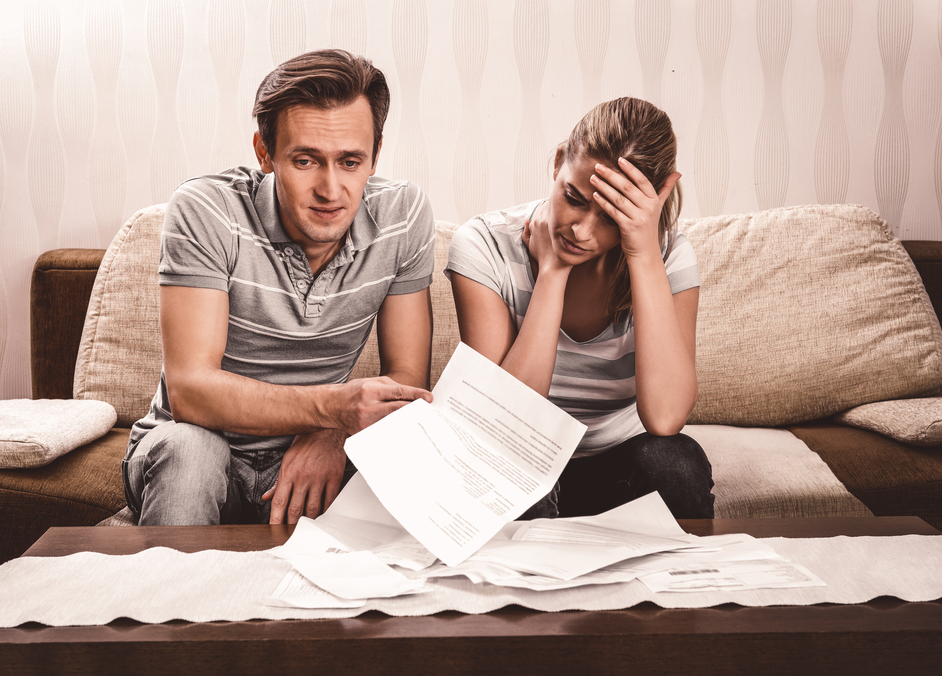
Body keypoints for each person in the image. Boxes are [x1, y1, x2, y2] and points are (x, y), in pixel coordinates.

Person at [123, 49, 435, 527]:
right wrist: (332, 411)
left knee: (425, 462)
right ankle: (167, 602)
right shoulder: (207, 210)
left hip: (322, 453)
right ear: (265, 153)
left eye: (351, 161)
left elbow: (406, 379)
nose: (331, 190)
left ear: (375, 155)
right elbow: (191, 392)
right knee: (190, 453)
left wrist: (333, 434)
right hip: (199, 443)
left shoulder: (402, 216)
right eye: (306, 160)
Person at [445, 97, 714, 519]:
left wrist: (643, 254)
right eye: (573, 197)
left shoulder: (668, 257)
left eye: (612, 218)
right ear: (557, 165)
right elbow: (502, 419)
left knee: (676, 462)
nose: (581, 230)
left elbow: (664, 418)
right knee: (519, 473)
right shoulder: (483, 245)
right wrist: (552, 271)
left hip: (615, 466)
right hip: (517, 458)